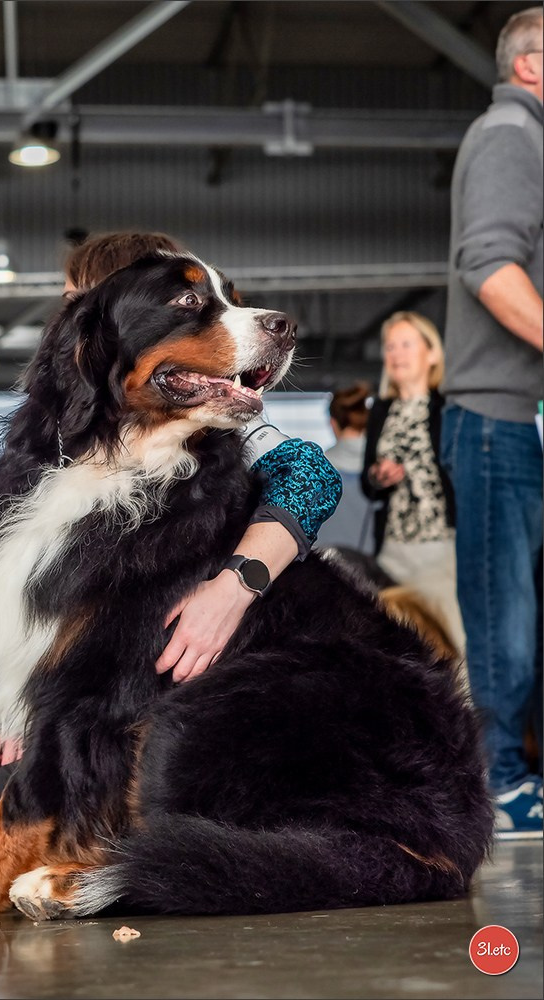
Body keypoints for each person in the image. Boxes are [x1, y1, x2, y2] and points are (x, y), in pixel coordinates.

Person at [0, 230, 343, 888]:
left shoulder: (211, 422)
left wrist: (236, 584)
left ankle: (110, 874)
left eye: (75, 301)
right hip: (65, 725)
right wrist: (15, 709)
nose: (66, 321)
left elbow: (310, 472)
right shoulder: (41, 438)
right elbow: (1, 604)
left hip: (169, 724)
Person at [440, 6, 543, 837]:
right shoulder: (511, 131)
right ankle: (501, 785)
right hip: (495, 419)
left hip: (519, 421)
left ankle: (517, 774)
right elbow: (489, 265)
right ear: (531, 66)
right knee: (503, 614)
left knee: (524, 613)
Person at [360, 312, 466, 660]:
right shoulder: (381, 410)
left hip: (443, 549)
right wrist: (379, 477)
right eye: (390, 347)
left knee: (454, 646)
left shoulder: (450, 408)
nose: (396, 354)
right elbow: (368, 484)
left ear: (432, 353)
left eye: (406, 344)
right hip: (392, 552)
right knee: (402, 653)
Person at [318, 381, 374, 554]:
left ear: (333, 423)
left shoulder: (316, 467)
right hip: (378, 572)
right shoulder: (386, 470)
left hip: (327, 568)